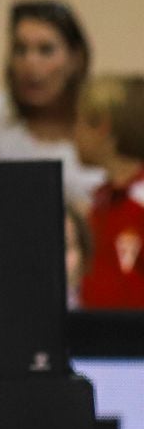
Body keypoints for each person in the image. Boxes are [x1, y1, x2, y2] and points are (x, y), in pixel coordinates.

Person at [0, 0, 100, 209]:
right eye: (20, 50)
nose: (30, 63)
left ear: (76, 58)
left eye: (46, 50)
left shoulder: (102, 121)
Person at [76, 74, 144, 309]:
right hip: (96, 336)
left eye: (79, 123)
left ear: (101, 127)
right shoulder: (100, 201)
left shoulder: (139, 202)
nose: (73, 134)